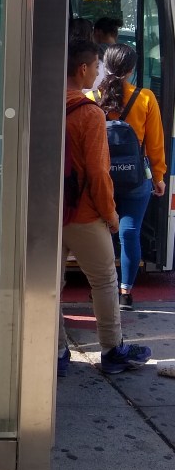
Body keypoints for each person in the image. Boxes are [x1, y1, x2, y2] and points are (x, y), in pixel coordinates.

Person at [59, 38, 151, 376]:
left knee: (50, 285)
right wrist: (111, 215)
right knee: (104, 281)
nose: (98, 73)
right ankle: (113, 351)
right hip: (83, 215)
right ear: (83, 68)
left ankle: (56, 352)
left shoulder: (43, 105)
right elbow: (99, 173)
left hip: (47, 211)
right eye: (96, 67)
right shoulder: (89, 113)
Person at [89, 42, 166, 308]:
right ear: (132, 69)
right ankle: (125, 294)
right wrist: (158, 177)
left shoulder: (93, 98)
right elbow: (155, 143)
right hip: (135, 179)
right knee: (129, 234)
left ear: (105, 66)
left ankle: (101, 290)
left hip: (101, 177)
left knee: (101, 235)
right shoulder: (145, 98)